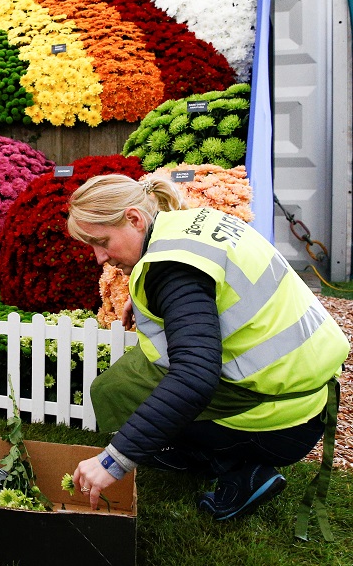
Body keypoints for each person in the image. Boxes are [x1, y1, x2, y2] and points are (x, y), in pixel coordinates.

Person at [66, 174, 348, 526]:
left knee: (120, 391)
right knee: (130, 383)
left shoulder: (172, 272)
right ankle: (212, 455)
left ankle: (236, 470)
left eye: (102, 241)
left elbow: (194, 378)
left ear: (135, 219)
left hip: (279, 420)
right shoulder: (186, 225)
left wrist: (115, 459)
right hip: (307, 393)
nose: (99, 258)